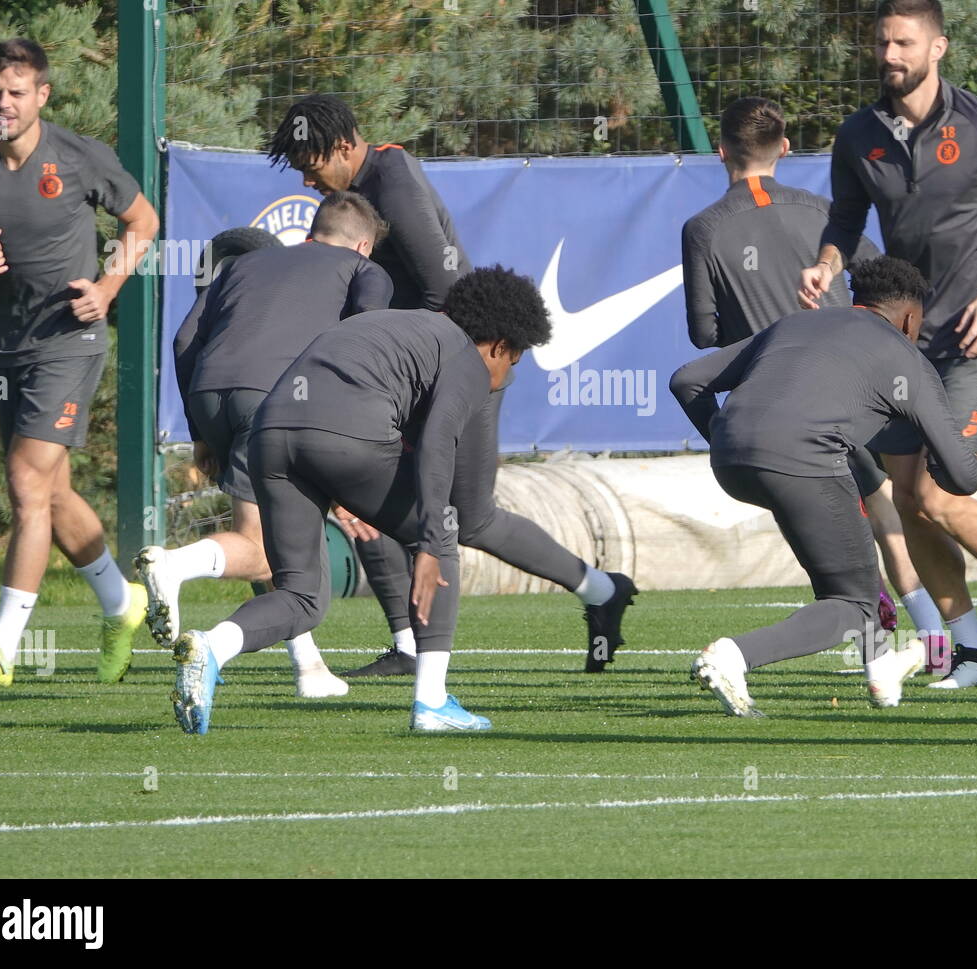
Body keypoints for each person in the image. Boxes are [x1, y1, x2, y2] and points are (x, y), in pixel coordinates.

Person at [267, 96, 635, 674]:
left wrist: (409, 371)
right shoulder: (367, 186)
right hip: (409, 374)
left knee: (471, 516)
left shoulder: (392, 180)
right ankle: (414, 649)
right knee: (383, 502)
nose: (307, 180)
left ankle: (599, 592)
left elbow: (446, 292)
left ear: (344, 147)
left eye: (311, 164)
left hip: (460, 368)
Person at [798, 0, 977, 688]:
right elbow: (845, 220)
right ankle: (970, 646)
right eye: (882, 42)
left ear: (938, 47)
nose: (889, 55)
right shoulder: (859, 134)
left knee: (943, 490)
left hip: (974, 337)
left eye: (904, 43)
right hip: (899, 339)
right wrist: (827, 264)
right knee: (903, 491)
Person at [170, 266, 552, 734]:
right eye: (513, 362)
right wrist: (429, 543)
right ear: (499, 346)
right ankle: (431, 703)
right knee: (443, 532)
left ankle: (212, 646)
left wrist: (339, 481)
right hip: (342, 434)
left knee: (302, 596)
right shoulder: (465, 355)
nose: (505, 376)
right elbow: (436, 444)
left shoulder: (395, 326)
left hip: (270, 435)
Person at [681, 94, 949, 670]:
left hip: (774, 404)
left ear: (720, 150)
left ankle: (901, 640)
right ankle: (930, 642)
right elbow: (883, 281)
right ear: (784, 148)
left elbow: (704, 336)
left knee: (843, 523)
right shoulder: (826, 215)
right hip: (852, 387)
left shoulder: (702, 228)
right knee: (879, 506)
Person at [670, 257, 977, 716]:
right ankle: (733, 656)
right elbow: (965, 477)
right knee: (854, 604)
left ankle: (883, 675)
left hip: (732, 460)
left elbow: (687, 380)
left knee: (851, 572)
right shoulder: (906, 357)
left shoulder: (796, 323)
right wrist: (932, 462)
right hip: (806, 461)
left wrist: (723, 436)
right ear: (912, 318)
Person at [0, 39, 159, 687]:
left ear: (42, 96)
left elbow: (143, 221)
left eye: (16, 92)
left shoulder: (76, 157)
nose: (2, 104)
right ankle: (122, 603)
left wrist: (106, 289)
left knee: (23, 480)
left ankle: (1, 647)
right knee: (53, 490)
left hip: (70, 341)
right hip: (5, 344)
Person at [137, 192, 392, 698]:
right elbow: (363, 344)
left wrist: (201, 431)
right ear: (363, 245)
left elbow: (185, 340)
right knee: (265, 549)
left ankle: (310, 667)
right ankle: (174, 565)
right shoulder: (366, 272)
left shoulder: (246, 263)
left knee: (282, 536)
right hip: (278, 398)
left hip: (214, 391)